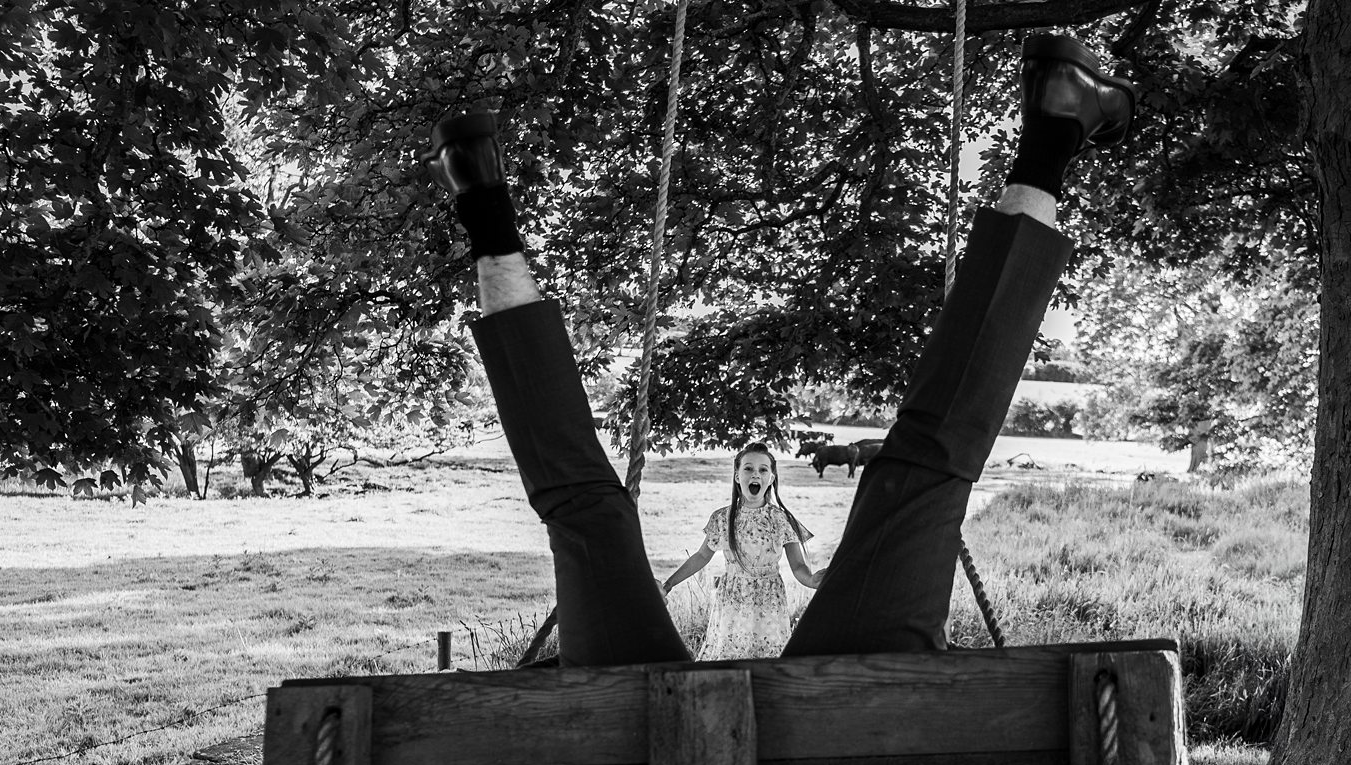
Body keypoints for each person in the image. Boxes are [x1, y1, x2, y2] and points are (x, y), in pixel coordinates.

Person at [423, 33, 1134, 668]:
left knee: (927, 472)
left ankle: (1053, 131)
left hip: (744, 723)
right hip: (840, 711)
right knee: (581, 507)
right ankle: (482, 203)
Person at [660, 442, 825, 660]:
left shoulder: (782, 520)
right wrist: (669, 584)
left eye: (763, 470)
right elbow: (701, 556)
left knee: (767, 661)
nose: (755, 474)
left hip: (770, 603)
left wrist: (812, 580)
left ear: (771, 478)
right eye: (748, 468)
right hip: (733, 602)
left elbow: (798, 566)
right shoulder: (721, 518)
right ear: (737, 476)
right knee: (730, 659)